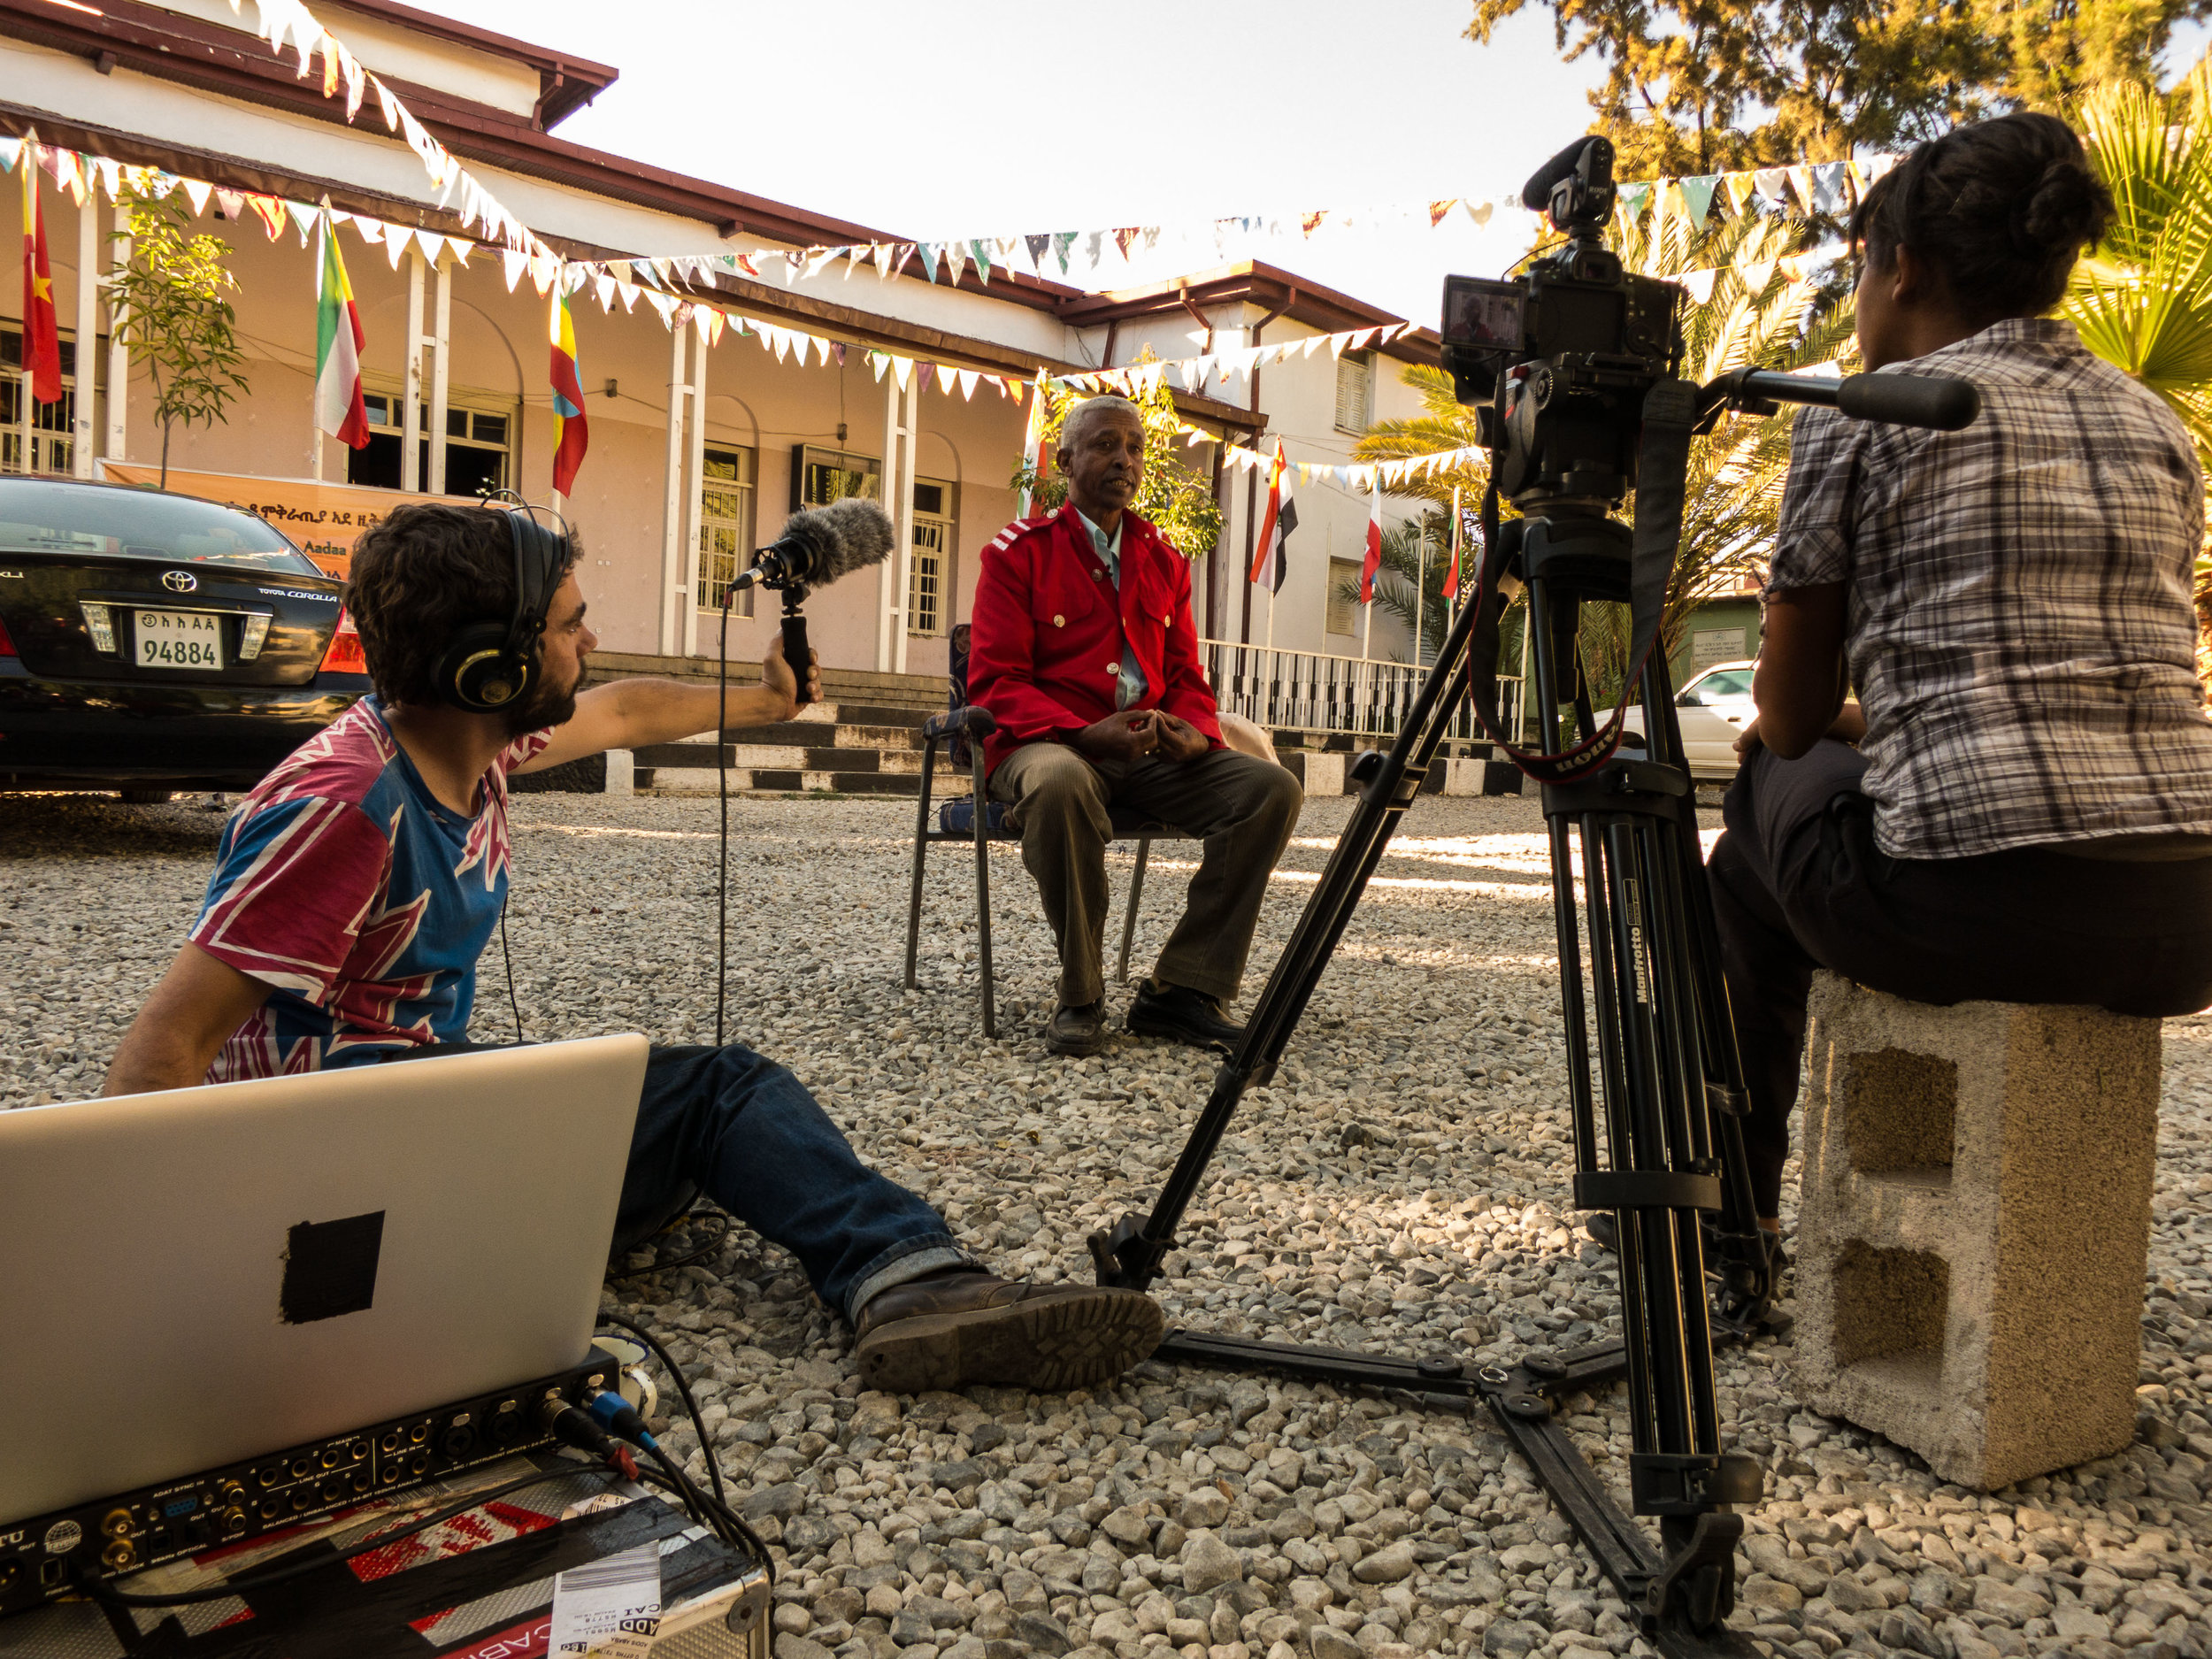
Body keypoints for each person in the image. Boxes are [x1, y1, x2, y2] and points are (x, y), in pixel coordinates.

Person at [102, 502, 1165, 1394]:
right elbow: (166, 1046)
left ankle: (879, 1274)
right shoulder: (348, 804)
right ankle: (912, 1280)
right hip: (356, 1179)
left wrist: (759, 701)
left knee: (662, 1108)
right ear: (491, 663)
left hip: (423, 1133)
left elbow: (611, 713)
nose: (591, 641)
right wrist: (190, 1308)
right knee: (720, 1096)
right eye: (570, 624)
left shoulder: (462, 738)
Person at [1710, 112, 2212, 1244]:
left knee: (1752, 817)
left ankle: (1723, 1216)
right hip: (2187, 919)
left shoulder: (1860, 418)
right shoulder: (2153, 419)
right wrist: (1864, 718)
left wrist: (1820, 727)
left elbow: (1786, 722)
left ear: (1903, 266)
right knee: (1822, 785)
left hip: (1970, 912)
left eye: (1856, 273)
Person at [968, 396, 1304, 1057]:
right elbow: (996, 683)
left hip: (1147, 751)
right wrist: (1083, 732)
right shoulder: (1017, 555)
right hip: (1050, 744)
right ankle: (1082, 993)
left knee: (1271, 789)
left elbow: (1184, 674)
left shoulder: (1162, 559)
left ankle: (1183, 990)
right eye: (1104, 445)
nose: (1125, 459)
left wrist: (1194, 731)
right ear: (1066, 460)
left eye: (1136, 446)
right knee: (1062, 782)